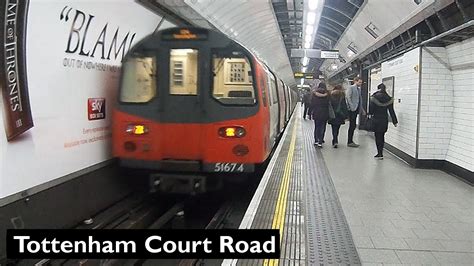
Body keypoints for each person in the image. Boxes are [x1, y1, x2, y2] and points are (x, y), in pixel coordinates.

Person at [369, 83, 398, 159]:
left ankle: (379, 153)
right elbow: (391, 111)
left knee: (377, 136)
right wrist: (395, 121)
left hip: (376, 119)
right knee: (382, 136)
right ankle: (381, 152)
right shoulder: (388, 98)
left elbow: (371, 110)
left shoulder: (374, 97)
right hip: (384, 119)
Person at [345, 77, 366, 147]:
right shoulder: (351, 88)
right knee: (352, 125)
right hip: (352, 109)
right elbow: (348, 97)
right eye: (359, 82)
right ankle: (349, 141)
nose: (360, 84)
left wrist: (361, 109)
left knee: (353, 125)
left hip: (356, 109)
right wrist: (352, 107)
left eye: (361, 82)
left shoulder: (359, 89)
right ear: (355, 81)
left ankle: (350, 141)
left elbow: (359, 99)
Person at [311, 82, 329, 147]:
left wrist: (310, 112)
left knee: (317, 127)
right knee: (323, 127)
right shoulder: (327, 94)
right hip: (325, 113)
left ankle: (316, 140)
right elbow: (329, 104)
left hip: (316, 112)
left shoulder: (314, 94)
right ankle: (320, 142)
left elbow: (312, 103)